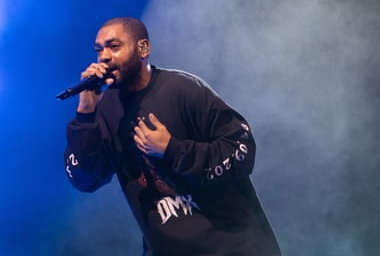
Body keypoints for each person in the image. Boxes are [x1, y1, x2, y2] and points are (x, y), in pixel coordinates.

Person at [63, 16, 281, 256]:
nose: (104, 56)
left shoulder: (183, 89)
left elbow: (241, 149)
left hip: (235, 248)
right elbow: (84, 180)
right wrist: (85, 115)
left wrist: (172, 149)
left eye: (114, 47)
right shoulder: (104, 111)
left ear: (143, 48)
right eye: (99, 49)